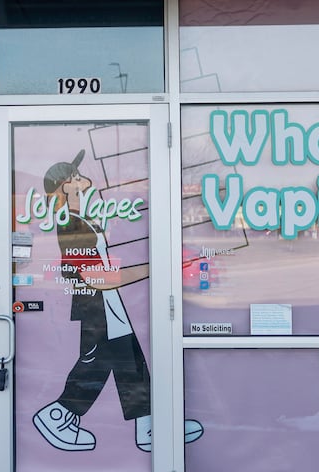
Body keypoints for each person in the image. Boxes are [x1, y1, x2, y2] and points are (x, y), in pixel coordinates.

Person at [32, 150, 203, 452]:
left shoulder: (83, 219)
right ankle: (57, 414)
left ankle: (148, 426)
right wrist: (153, 269)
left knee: (130, 362)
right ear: (63, 188)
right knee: (96, 363)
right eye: (75, 178)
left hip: (106, 301)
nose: (84, 180)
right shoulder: (71, 224)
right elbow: (93, 277)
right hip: (96, 303)